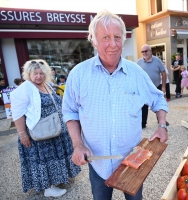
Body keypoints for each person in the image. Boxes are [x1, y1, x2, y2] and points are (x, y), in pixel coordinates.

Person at [62, 10, 168, 200]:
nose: (113, 44)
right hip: (98, 163)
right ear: (93, 40)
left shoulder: (136, 73)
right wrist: (78, 145)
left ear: (124, 39)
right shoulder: (78, 75)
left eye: (117, 37)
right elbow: (70, 112)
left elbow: (158, 99)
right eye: (105, 37)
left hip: (132, 159)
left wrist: (161, 125)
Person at [10, 59, 81, 197]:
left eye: (41, 73)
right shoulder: (25, 88)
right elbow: (17, 113)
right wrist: (22, 134)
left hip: (54, 130)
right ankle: (48, 188)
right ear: (28, 74)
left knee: (54, 158)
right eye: (35, 73)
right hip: (40, 133)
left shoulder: (47, 85)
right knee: (44, 160)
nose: (38, 76)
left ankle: (56, 179)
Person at [137, 44, 167, 128]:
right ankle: (143, 123)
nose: (144, 53)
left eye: (146, 51)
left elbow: (163, 73)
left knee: (158, 104)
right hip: (144, 88)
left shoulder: (157, 60)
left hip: (156, 86)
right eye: (142, 51)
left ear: (150, 51)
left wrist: (163, 86)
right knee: (143, 106)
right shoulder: (139, 62)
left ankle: (161, 122)